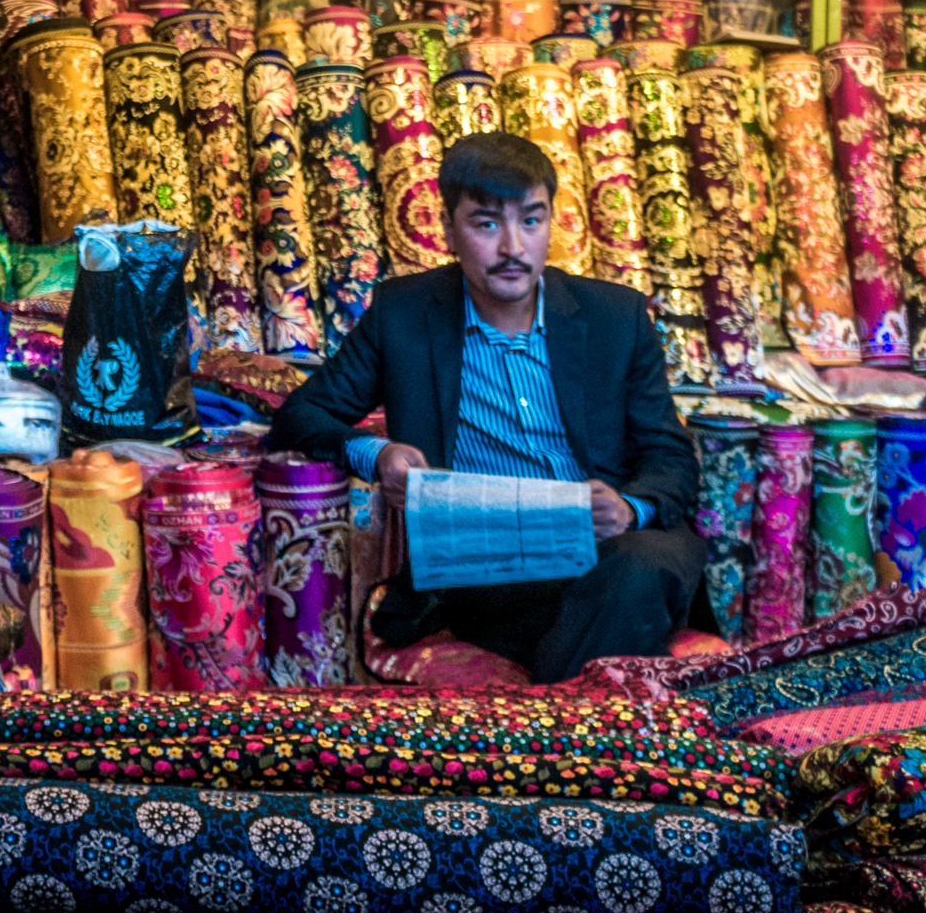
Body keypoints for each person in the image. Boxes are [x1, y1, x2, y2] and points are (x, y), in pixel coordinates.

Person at [266, 131, 702, 683]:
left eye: (532, 220)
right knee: (593, 614)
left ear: (551, 224)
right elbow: (298, 417)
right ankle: (583, 719)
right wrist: (376, 455)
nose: (514, 248)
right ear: (448, 229)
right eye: (487, 223)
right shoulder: (404, 315)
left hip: (613, 551)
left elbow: (672, 457)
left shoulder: (615, 317)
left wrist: (629, 508)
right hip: (493, 571)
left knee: (635, 571)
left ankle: (554, 723)